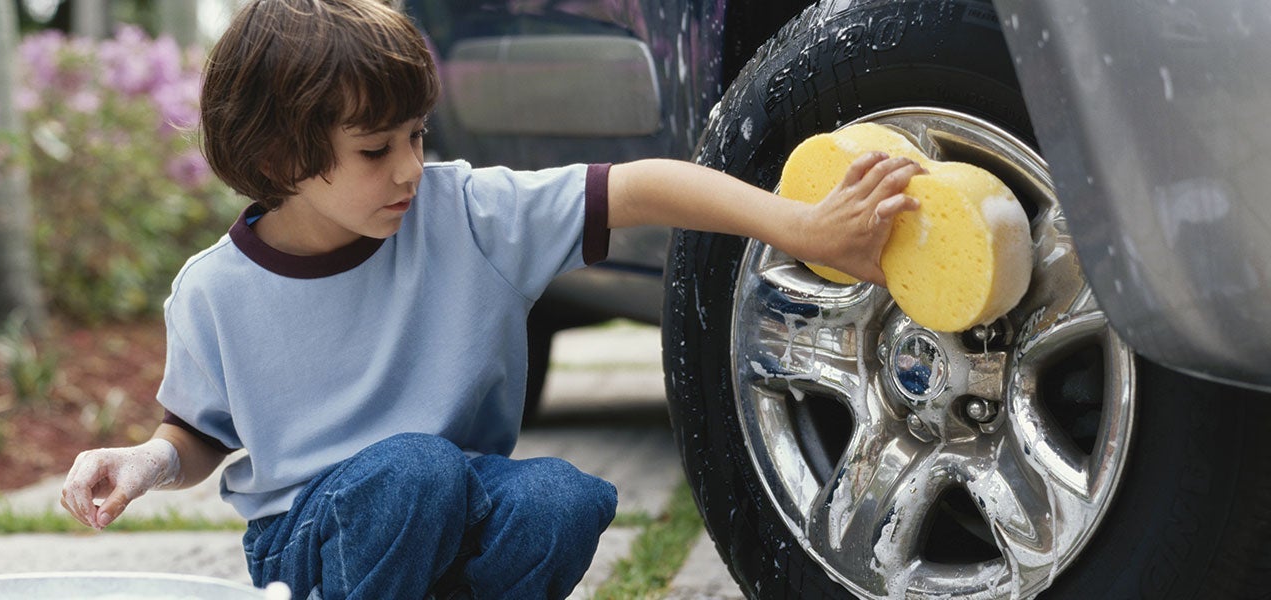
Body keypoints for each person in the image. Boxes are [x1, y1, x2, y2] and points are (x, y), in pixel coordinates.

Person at [59, 0, 923, 598]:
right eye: (374, 151)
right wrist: (144, 461)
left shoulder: (462, 210)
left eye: (416, 136)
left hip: (454, 495)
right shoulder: (215, 291)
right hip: (313, 538)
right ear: (281, 155)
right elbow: (201, 433)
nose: (408, 168)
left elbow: (641, 186)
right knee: (413, 470)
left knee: (561, 497)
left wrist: (800, 227)